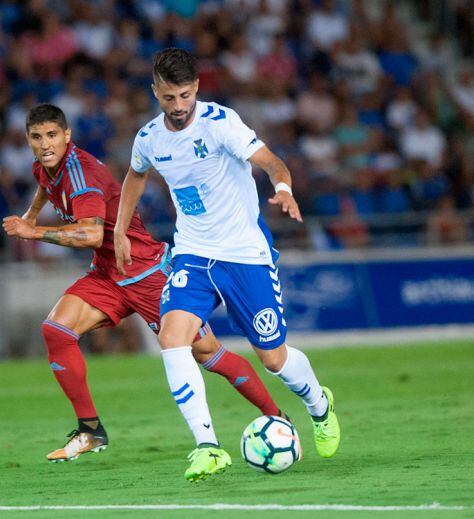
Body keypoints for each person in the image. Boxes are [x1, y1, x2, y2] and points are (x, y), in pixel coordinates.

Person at [2, 104, 285, 463]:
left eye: (52, 135)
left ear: (67, 135)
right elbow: (45, 184)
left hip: (145, 273)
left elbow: (91, 233)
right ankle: (90, 430)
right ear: (28, 139)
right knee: (56, 330)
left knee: (208, 355)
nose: (45, 144)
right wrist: (29, 212)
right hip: (107, 274)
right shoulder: (47, 166)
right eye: (37, 137)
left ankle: (278, 417)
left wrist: (34, 231)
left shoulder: (81, 173)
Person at [114, 48, 341, 482]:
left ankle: (319, 404)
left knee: (273, 359)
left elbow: (272, 161)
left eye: (184, 95)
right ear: (155, 92)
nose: (178, 107)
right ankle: (207, 446)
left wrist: (284, 187)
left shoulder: (221, 123)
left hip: (244, 254)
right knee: (173, 337)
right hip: (193, 253)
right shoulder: (148, 138)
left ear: (196, 88)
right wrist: (121, 229)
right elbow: (136, 173)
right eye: (168, 98)